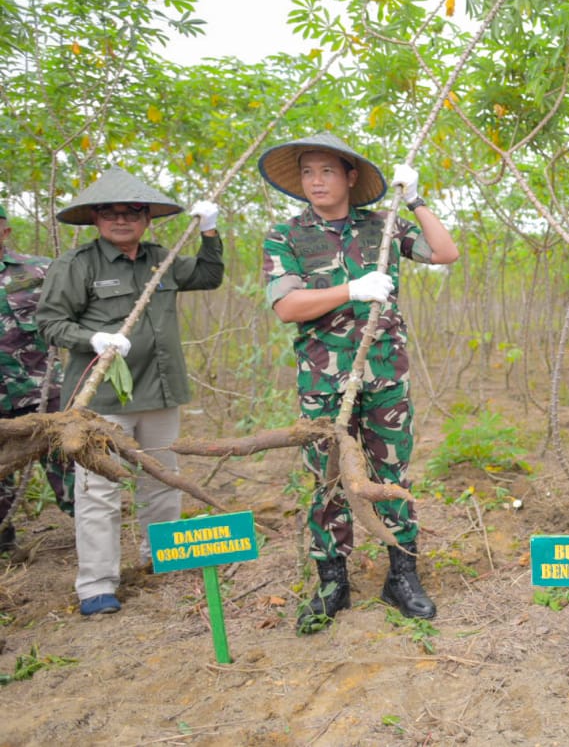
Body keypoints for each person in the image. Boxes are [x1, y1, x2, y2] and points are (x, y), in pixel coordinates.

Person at [260, 133, 459, 633]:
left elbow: (445, 252)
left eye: (327, 171)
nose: (316, 181)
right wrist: (351, 289)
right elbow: (287, 307)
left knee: (391, 472)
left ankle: (402, 573)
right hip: (323, 379)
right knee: (327, 480)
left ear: (349, 177)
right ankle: (332, 581)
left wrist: (415, 199)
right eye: (308, 173)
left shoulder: (382, 228)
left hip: (385, 373)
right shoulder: (286, 236)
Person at [36, 169, 224, 616]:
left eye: (132, 212)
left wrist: (210, 231)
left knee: (160, 480)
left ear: (146, 218)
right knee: (98, 490)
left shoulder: (163, 258)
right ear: (96, 219)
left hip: (159, 392)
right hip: (103, 401)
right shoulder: (78, 265)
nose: (121, 220)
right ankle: (97, 585)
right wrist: (93, 340)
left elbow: (208, 275)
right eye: (110, 212)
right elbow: (50, 322)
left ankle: (165, 557)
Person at [1, 202, 75, 553]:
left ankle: (91, 529)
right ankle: (5, 544)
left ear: (5, 230)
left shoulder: (40, 269)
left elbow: (74, 311)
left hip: (43, 389)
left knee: (68, 459)